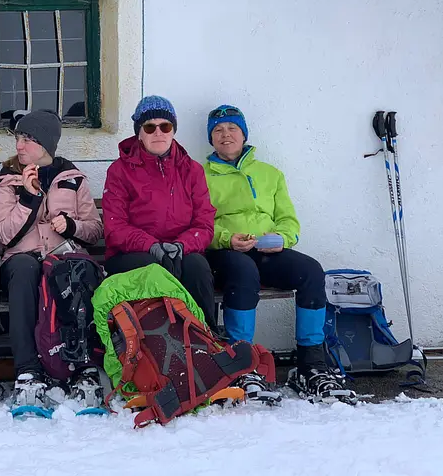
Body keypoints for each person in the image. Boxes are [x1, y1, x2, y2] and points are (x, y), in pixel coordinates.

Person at [203, 104, 356, 403]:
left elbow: (289, 219)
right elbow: (198, 223)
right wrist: (226, 238)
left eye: (232, 129)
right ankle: (240, 361)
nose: (225, 135)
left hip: (265, 249)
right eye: (218, 131)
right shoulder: (200, 174)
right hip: (225, 251)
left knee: (311, 271)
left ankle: (311, 365)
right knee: (243, 272)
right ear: (211, 139)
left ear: (244, 134)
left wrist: (281, 239)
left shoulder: (270, 174)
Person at [0, 110, 103, 410]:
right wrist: (28, 198)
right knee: (25, 270)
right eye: (18, 139)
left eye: (28, 140)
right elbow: (3, 235)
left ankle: (82, 366)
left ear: (47, 144)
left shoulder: (73, 180)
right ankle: (27, 370)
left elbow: (95, 229)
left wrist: (72, 226)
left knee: (72, 271)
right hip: (22, 258)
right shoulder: (7, 181)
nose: (19, 146)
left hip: (62, 257)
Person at [101, 95, 218, 329]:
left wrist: (181, 245)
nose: (158, 133)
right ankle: (158, 342)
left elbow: (204, 223)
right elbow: (115, 226)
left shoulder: (191, 170)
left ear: (173, 130)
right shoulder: (120, 171)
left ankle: (206, 336)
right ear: (139, 133)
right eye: (149, 127)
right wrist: (151, 246)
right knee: (151, 268)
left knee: (197, 266)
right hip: (132, 253)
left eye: (165, 126)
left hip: (180, 250)